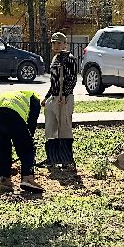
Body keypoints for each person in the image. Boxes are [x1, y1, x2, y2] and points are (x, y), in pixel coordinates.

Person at [0, 88, 44, 193]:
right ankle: (27, 178)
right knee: (27, 149)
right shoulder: (35, 99)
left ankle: (4, 180)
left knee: (3, 148)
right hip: (12, 116)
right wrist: (27, 144)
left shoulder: (14, 95)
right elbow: (31, 125)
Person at [45, 31, 78, 169]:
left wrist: (64, 94)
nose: (56, 45)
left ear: (65, 44)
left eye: (59, 43)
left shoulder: (69, 58)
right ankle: (52, 158)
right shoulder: (55, 59)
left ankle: (66, 160)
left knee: (64, 128)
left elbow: (72, 79)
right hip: (54, 97)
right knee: (50, 129)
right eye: (54, 43)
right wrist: (47, 97)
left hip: (64, 98)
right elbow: (54, 82)